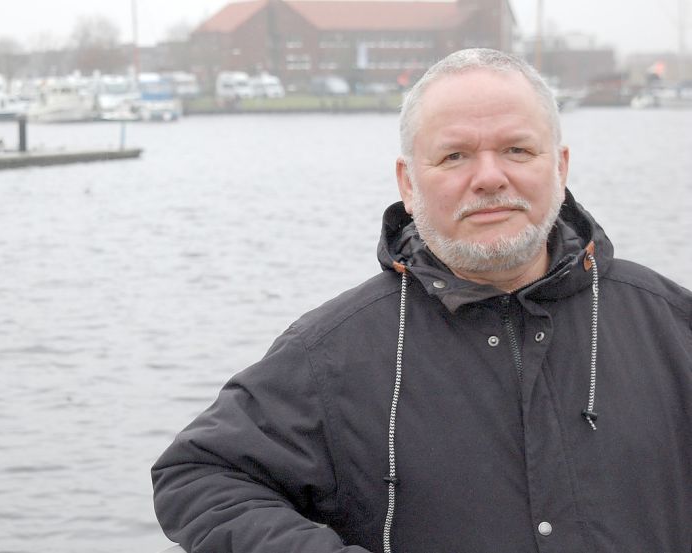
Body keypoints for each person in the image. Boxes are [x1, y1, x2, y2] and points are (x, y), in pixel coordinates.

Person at [151, 48, 692, 553]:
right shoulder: (332, 356)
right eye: (455, 156)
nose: (488, 177)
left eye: (517, 150)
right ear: (408, 183)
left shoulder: (671, 326)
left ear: (560, 167)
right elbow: (198, 476)